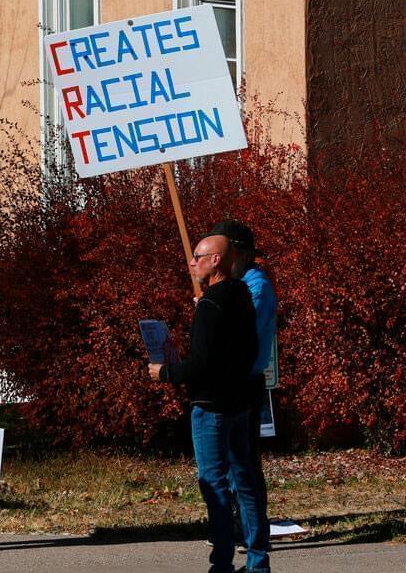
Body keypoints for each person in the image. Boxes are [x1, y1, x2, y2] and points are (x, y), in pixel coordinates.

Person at [147, 235, 265, 573]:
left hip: (211, 406)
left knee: (214, 485)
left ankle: (222, 564)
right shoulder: (241, 297)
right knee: (245, 482)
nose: (192, 262)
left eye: (198, 257)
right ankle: (258, 562)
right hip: (239, 402)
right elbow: (243, 351)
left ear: (216, 261)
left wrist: (165, 372)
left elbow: (200, 363)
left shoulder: (214, 305)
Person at [207, 220, 275, 572]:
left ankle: (255, 556)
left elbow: (240, 335)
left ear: (242, 253)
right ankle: (238, 538)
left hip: (243, 385)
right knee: (232, 472)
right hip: (228, 384)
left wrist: (213, 310)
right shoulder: (235, 287)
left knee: (244, 472)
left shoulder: (255, 287)